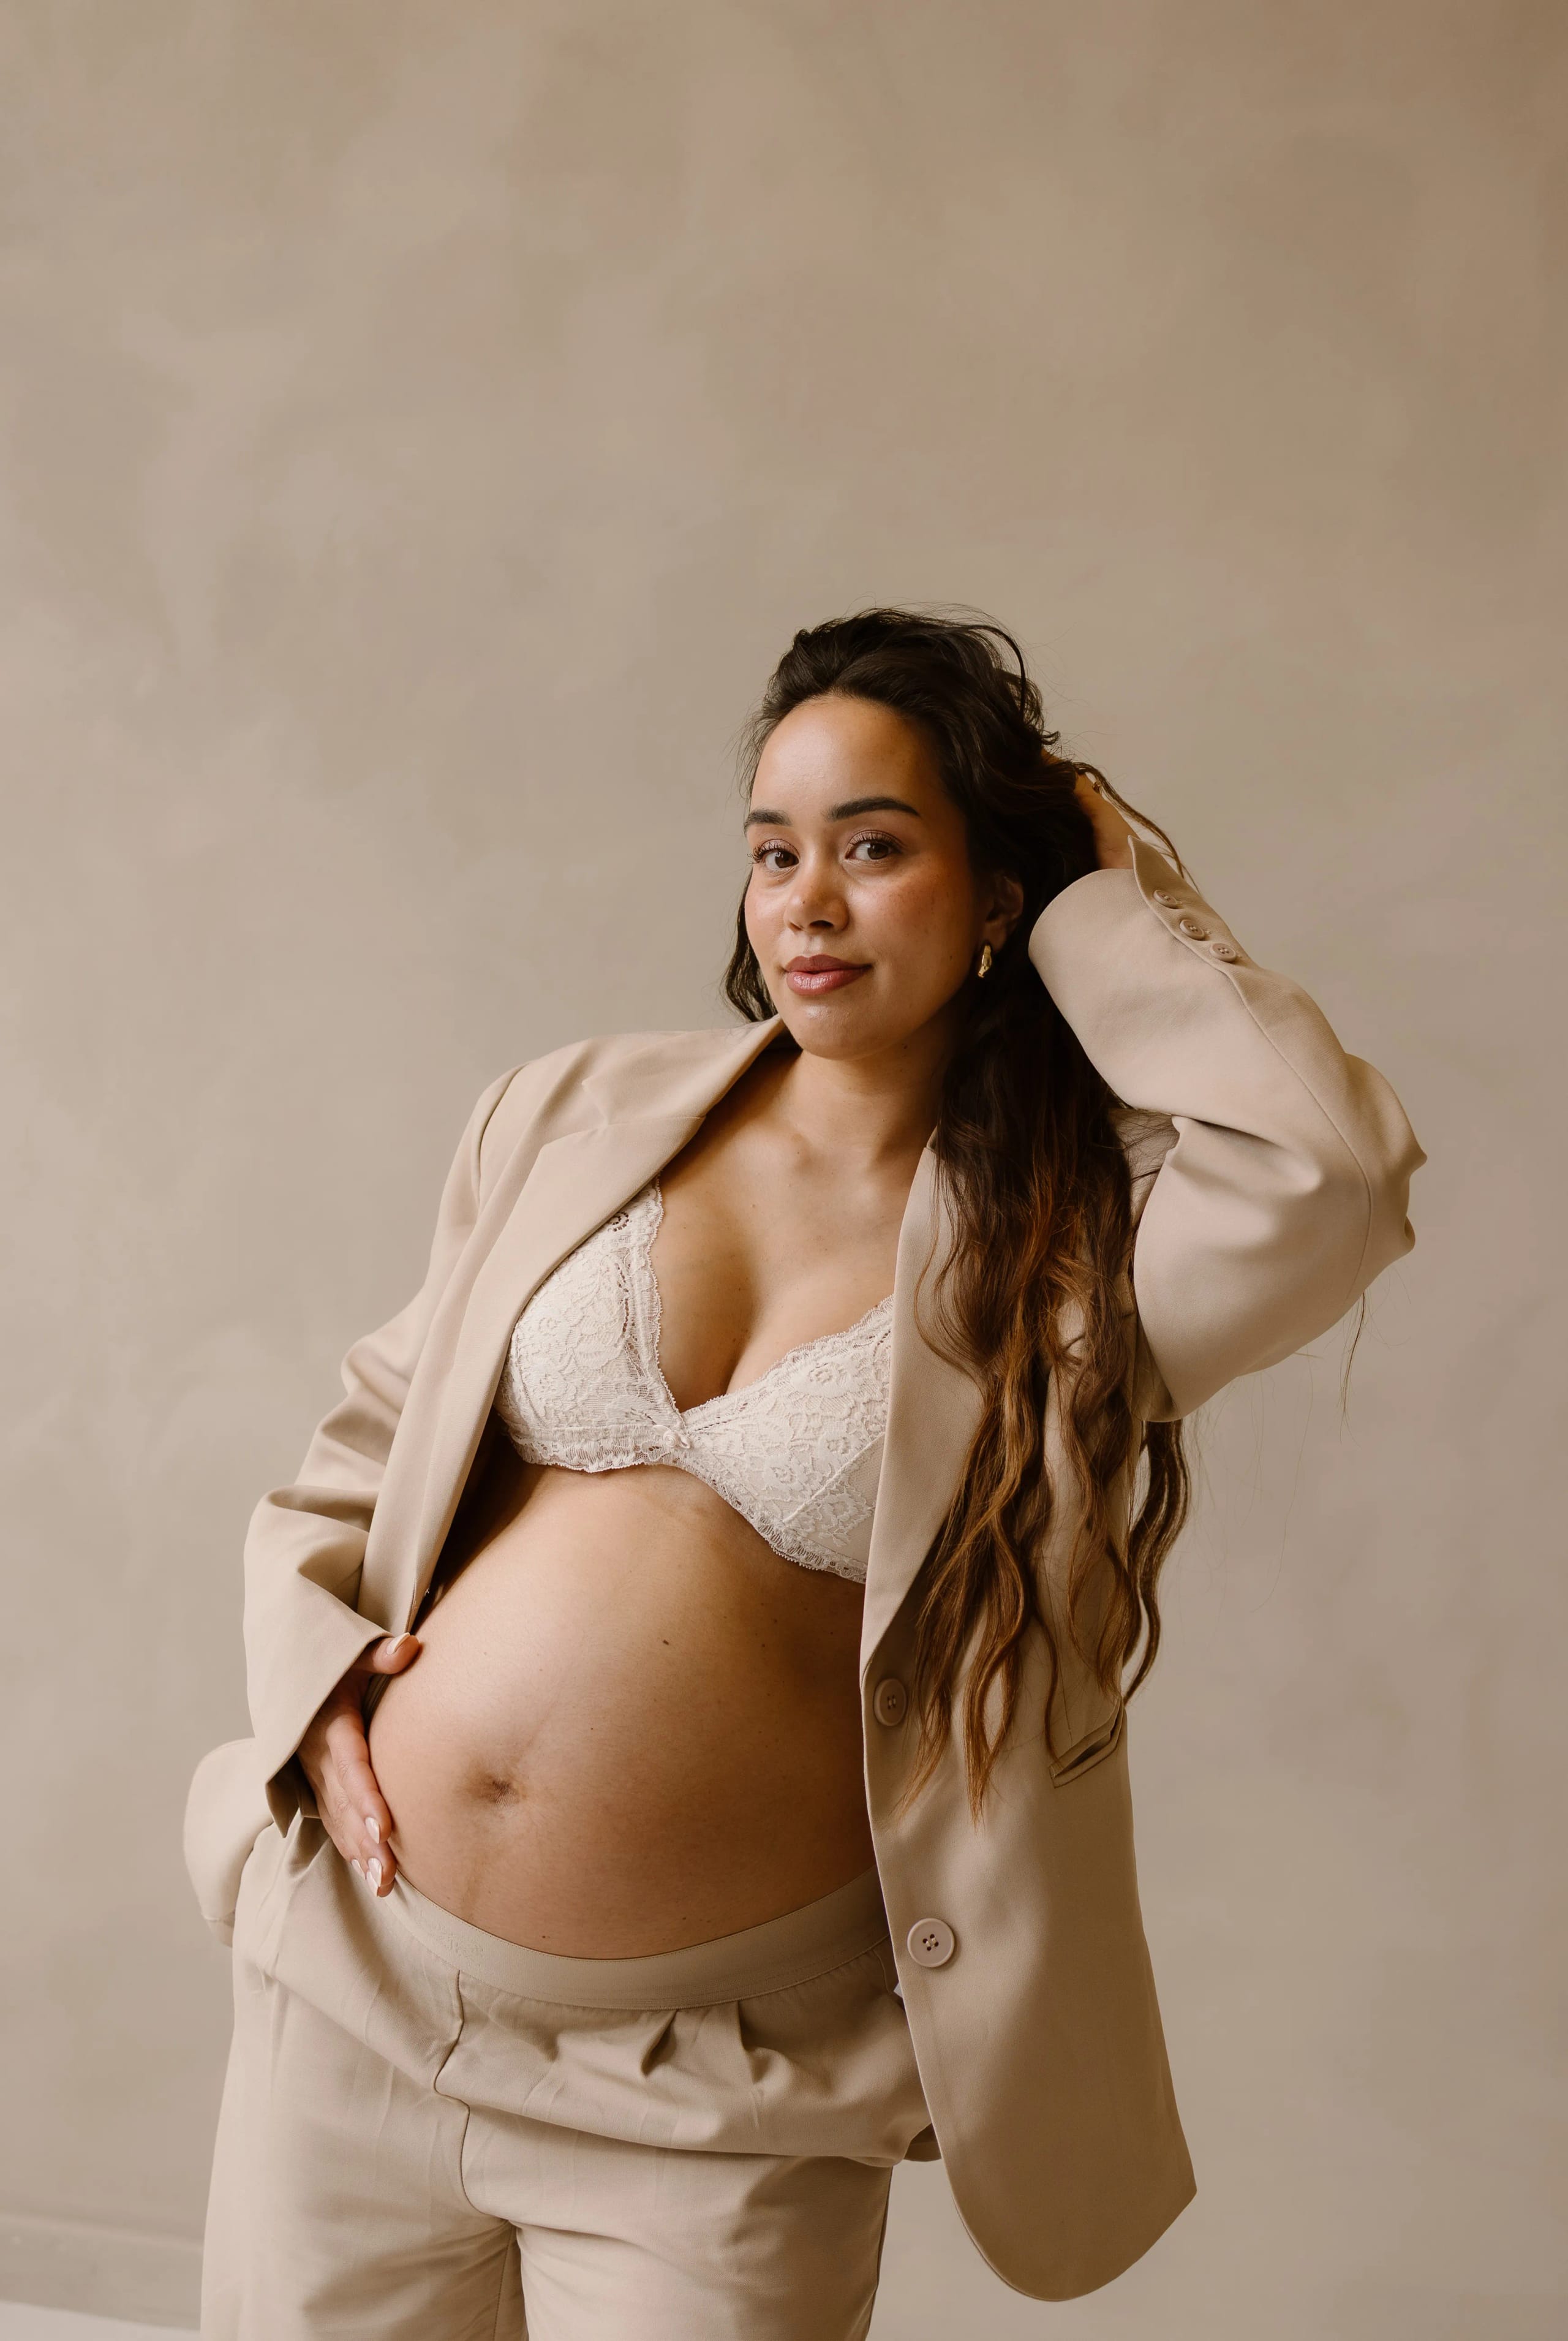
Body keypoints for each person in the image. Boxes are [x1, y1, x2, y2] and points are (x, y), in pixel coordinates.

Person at [185, 609, 1423, 2339]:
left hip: (716, 2112)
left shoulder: (1072, 1267)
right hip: (359, 2009)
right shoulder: (570, 1112)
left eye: (876, 847)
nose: (808, 902)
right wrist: (317, 1693)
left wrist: (1100, 891)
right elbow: (365, 1454)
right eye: (775, 852)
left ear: (995, 898)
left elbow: (1338, 1178)